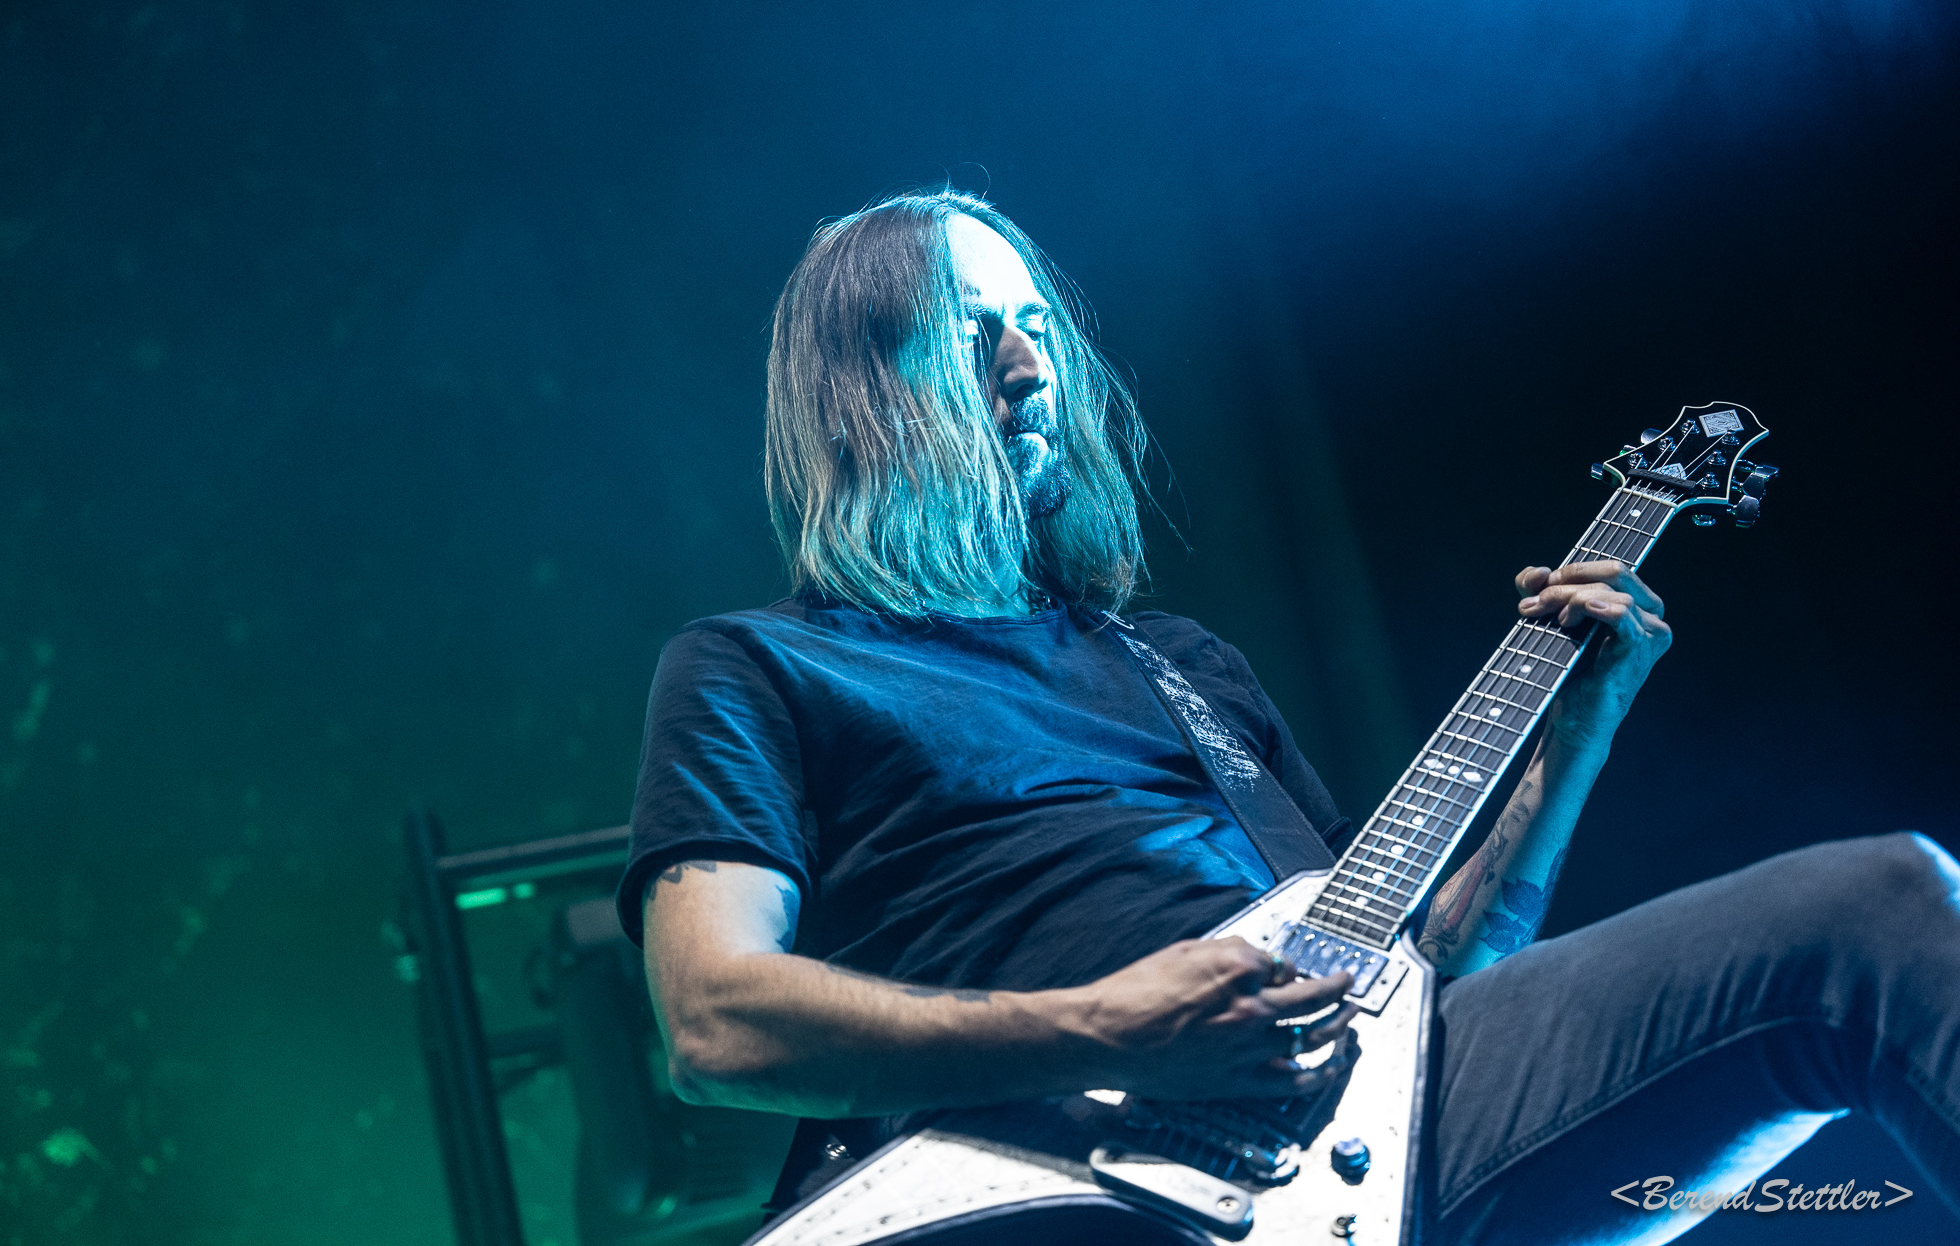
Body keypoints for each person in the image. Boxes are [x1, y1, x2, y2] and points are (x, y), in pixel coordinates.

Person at [616, 190, 1959, 1243]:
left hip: (1367, 1136)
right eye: (975, 333)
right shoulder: (757, 666)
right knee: (1876, 905)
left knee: (1885, 910)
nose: (1030, 367)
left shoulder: (1180, 664)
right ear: (864, 387)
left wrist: (1571, 738)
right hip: (1052, 1186)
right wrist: (1111, 1027)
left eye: (1038, 325)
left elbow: (1410, 972)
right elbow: (716, 1022)